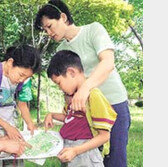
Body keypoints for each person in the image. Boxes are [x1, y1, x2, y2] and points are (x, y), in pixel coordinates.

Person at [34, 0, 131, 166]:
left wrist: (85, 89)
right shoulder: (60, 50)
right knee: (91, 157)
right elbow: (67, 87)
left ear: (63, 17)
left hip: (113, 103)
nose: (48, 32)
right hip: (85, 111)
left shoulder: (94, 30)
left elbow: (108, 63)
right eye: (45, 30)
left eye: (49, 26)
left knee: (115, 158)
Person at [44, 50, 117, 167]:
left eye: (59, 83)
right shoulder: (72, 97)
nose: (59, 88)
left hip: (85, 155)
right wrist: (51, 115)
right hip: (70, 152)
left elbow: (104, 136)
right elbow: (69, 118)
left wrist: (76, 150)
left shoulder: (94, 95)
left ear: (71, 73)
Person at [0, 44, 41, 167]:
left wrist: (30, 123)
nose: (22, 80)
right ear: (11, 63)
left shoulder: (25, 80)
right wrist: (8, 127)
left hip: (11, 124)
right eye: (21, 75)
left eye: (27, 77)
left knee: (15, 159)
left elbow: (22, 104)